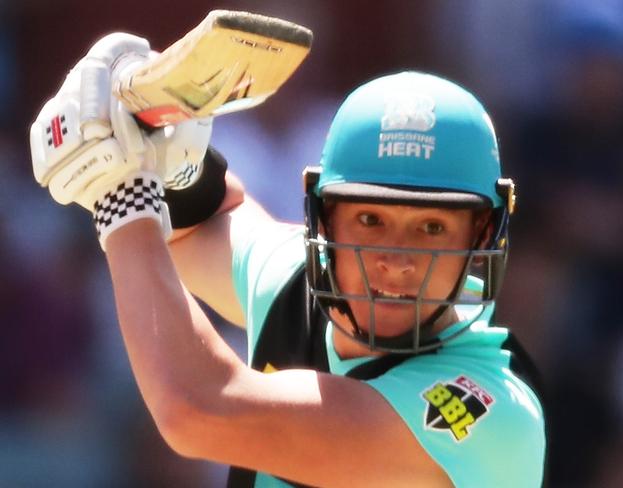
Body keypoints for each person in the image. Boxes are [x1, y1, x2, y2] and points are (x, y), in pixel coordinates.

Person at [30, 34, 546, 487]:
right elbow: (208, 221)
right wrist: (166, 147)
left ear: (482, 233)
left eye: (432, 227)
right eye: (370, 221)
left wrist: (121, 197)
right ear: (323, 220)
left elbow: (199, 409)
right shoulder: (298, 288)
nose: (396, 261)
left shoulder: (492, 414)